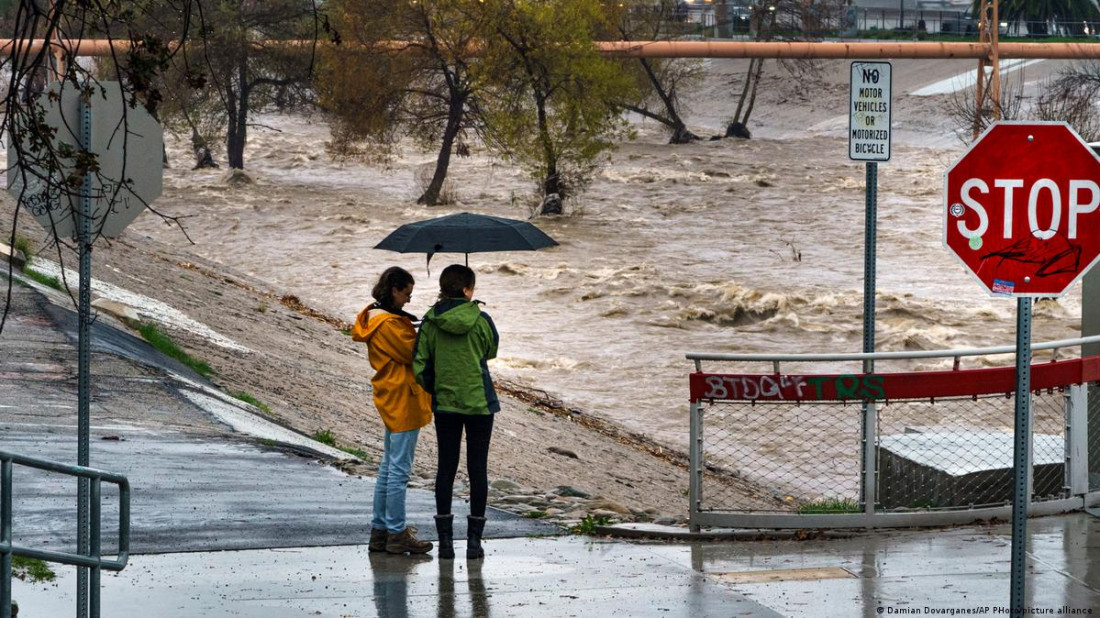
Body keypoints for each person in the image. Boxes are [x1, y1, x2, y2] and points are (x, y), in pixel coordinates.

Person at [414, 264, 499, 559]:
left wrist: (437, 389)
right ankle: (474, 543)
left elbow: (420, 364)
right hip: (479, 404)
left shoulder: (430, 321)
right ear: (466, 290)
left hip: (446, 405)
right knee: (478, 469)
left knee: (446, 469)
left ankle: (446, 543)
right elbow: (491, 351)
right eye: (472, 286)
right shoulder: (482, 320)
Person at [353, 266, 434, 555]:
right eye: (407, 294)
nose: (409, 300)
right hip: (403, 396)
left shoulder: (374, 316)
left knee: (388, 469)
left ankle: (381, 531)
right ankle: (397, 533)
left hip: (390, 392)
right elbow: (414, 353)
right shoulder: (389, 324)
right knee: (398, 471)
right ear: (395, 289)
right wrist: (428, 329)